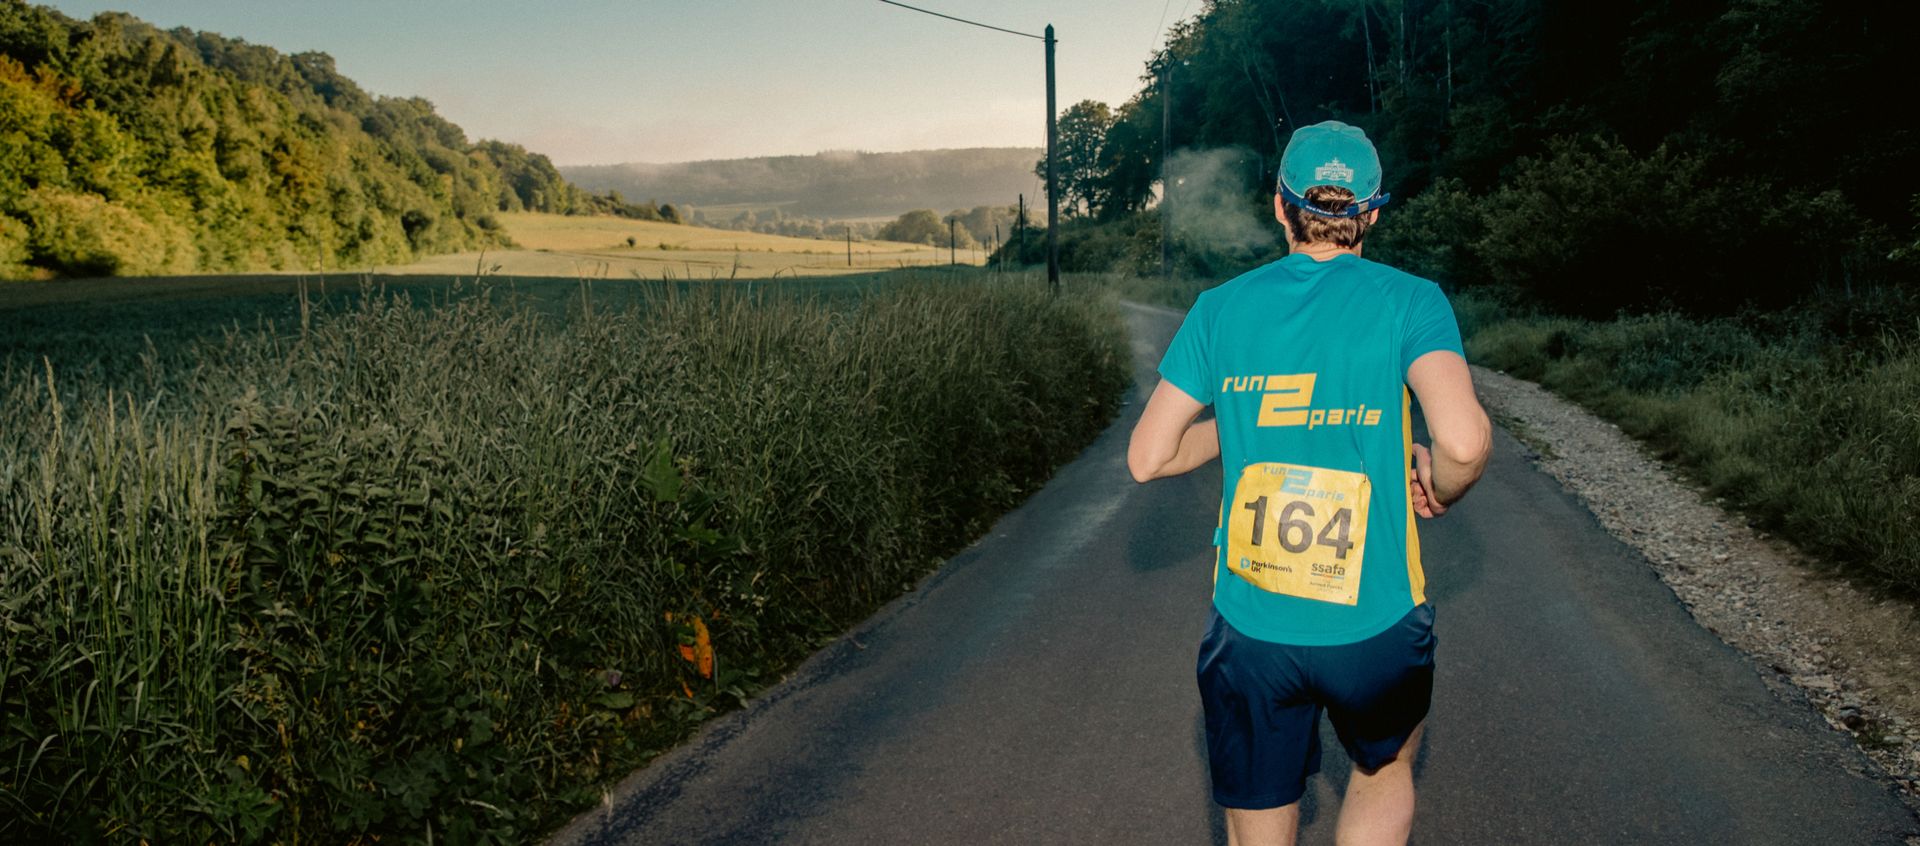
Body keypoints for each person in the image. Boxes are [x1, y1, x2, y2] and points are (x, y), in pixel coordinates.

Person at [1126, 120, 1491, 846]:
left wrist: (1248, 416)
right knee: (1383, 772)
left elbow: (1148, 458)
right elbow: (1461, 440)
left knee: (1256, 821)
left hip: (1253, 632)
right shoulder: (1412, 301)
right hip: (1379, 622)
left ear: (1279, 206)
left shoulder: (1219, 309)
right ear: (1373, 213)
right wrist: (1440, 487)